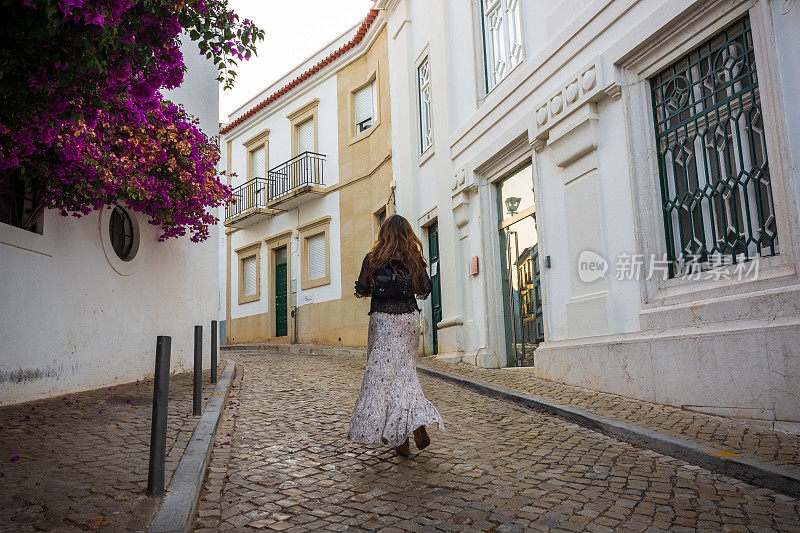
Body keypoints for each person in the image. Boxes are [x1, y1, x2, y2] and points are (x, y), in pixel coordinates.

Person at [347, 214, 444, 456]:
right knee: (405, 376)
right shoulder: (413, 257)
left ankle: (399, 435)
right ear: (407, 234)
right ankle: (414, 426)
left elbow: (361, 289)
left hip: (382, 322)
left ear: (384, 234)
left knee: (379, 380)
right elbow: (425, 289)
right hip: (408, 322)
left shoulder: (373, 258)